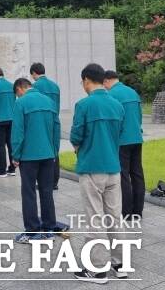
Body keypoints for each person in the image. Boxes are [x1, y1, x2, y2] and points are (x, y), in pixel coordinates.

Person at [70, 63, 125, 284]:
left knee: (95, 218)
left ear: (86, 80)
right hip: (113, 168)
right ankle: (119, 264)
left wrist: (78, 146)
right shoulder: (117, 105)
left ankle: (97, 269)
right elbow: (119, 133)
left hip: (92, 168)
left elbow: (76, 136)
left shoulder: (84, 105)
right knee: (115, 217)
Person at [11, 78, 61, 244]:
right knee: (47, 192)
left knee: (29, 192)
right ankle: (49, 228)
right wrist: (54, 151)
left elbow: (18, 132)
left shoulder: (21, 103)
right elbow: (56, 128)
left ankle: (32, 231)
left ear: (20, 89)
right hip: (48, 154)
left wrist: (15, 155)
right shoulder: (48, 101)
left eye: (17, 94)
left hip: (28, 156)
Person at [103, 70, 145, 220]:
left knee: (123, 175)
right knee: (137, 174)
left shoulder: (111, 95)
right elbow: (139, 117)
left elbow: (112, 120)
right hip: (136, 138)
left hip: (121, 141)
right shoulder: (133, 92)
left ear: (107, 81)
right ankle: (138, 212)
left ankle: (126, 212)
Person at [30, 62, 61, 190]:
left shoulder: (35, 86)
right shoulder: (55, 86)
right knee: (54, 149)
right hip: (54, 118)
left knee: (42, 148)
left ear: (34, 73)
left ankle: (44, 180)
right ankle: (55, 181)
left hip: (41, 121)